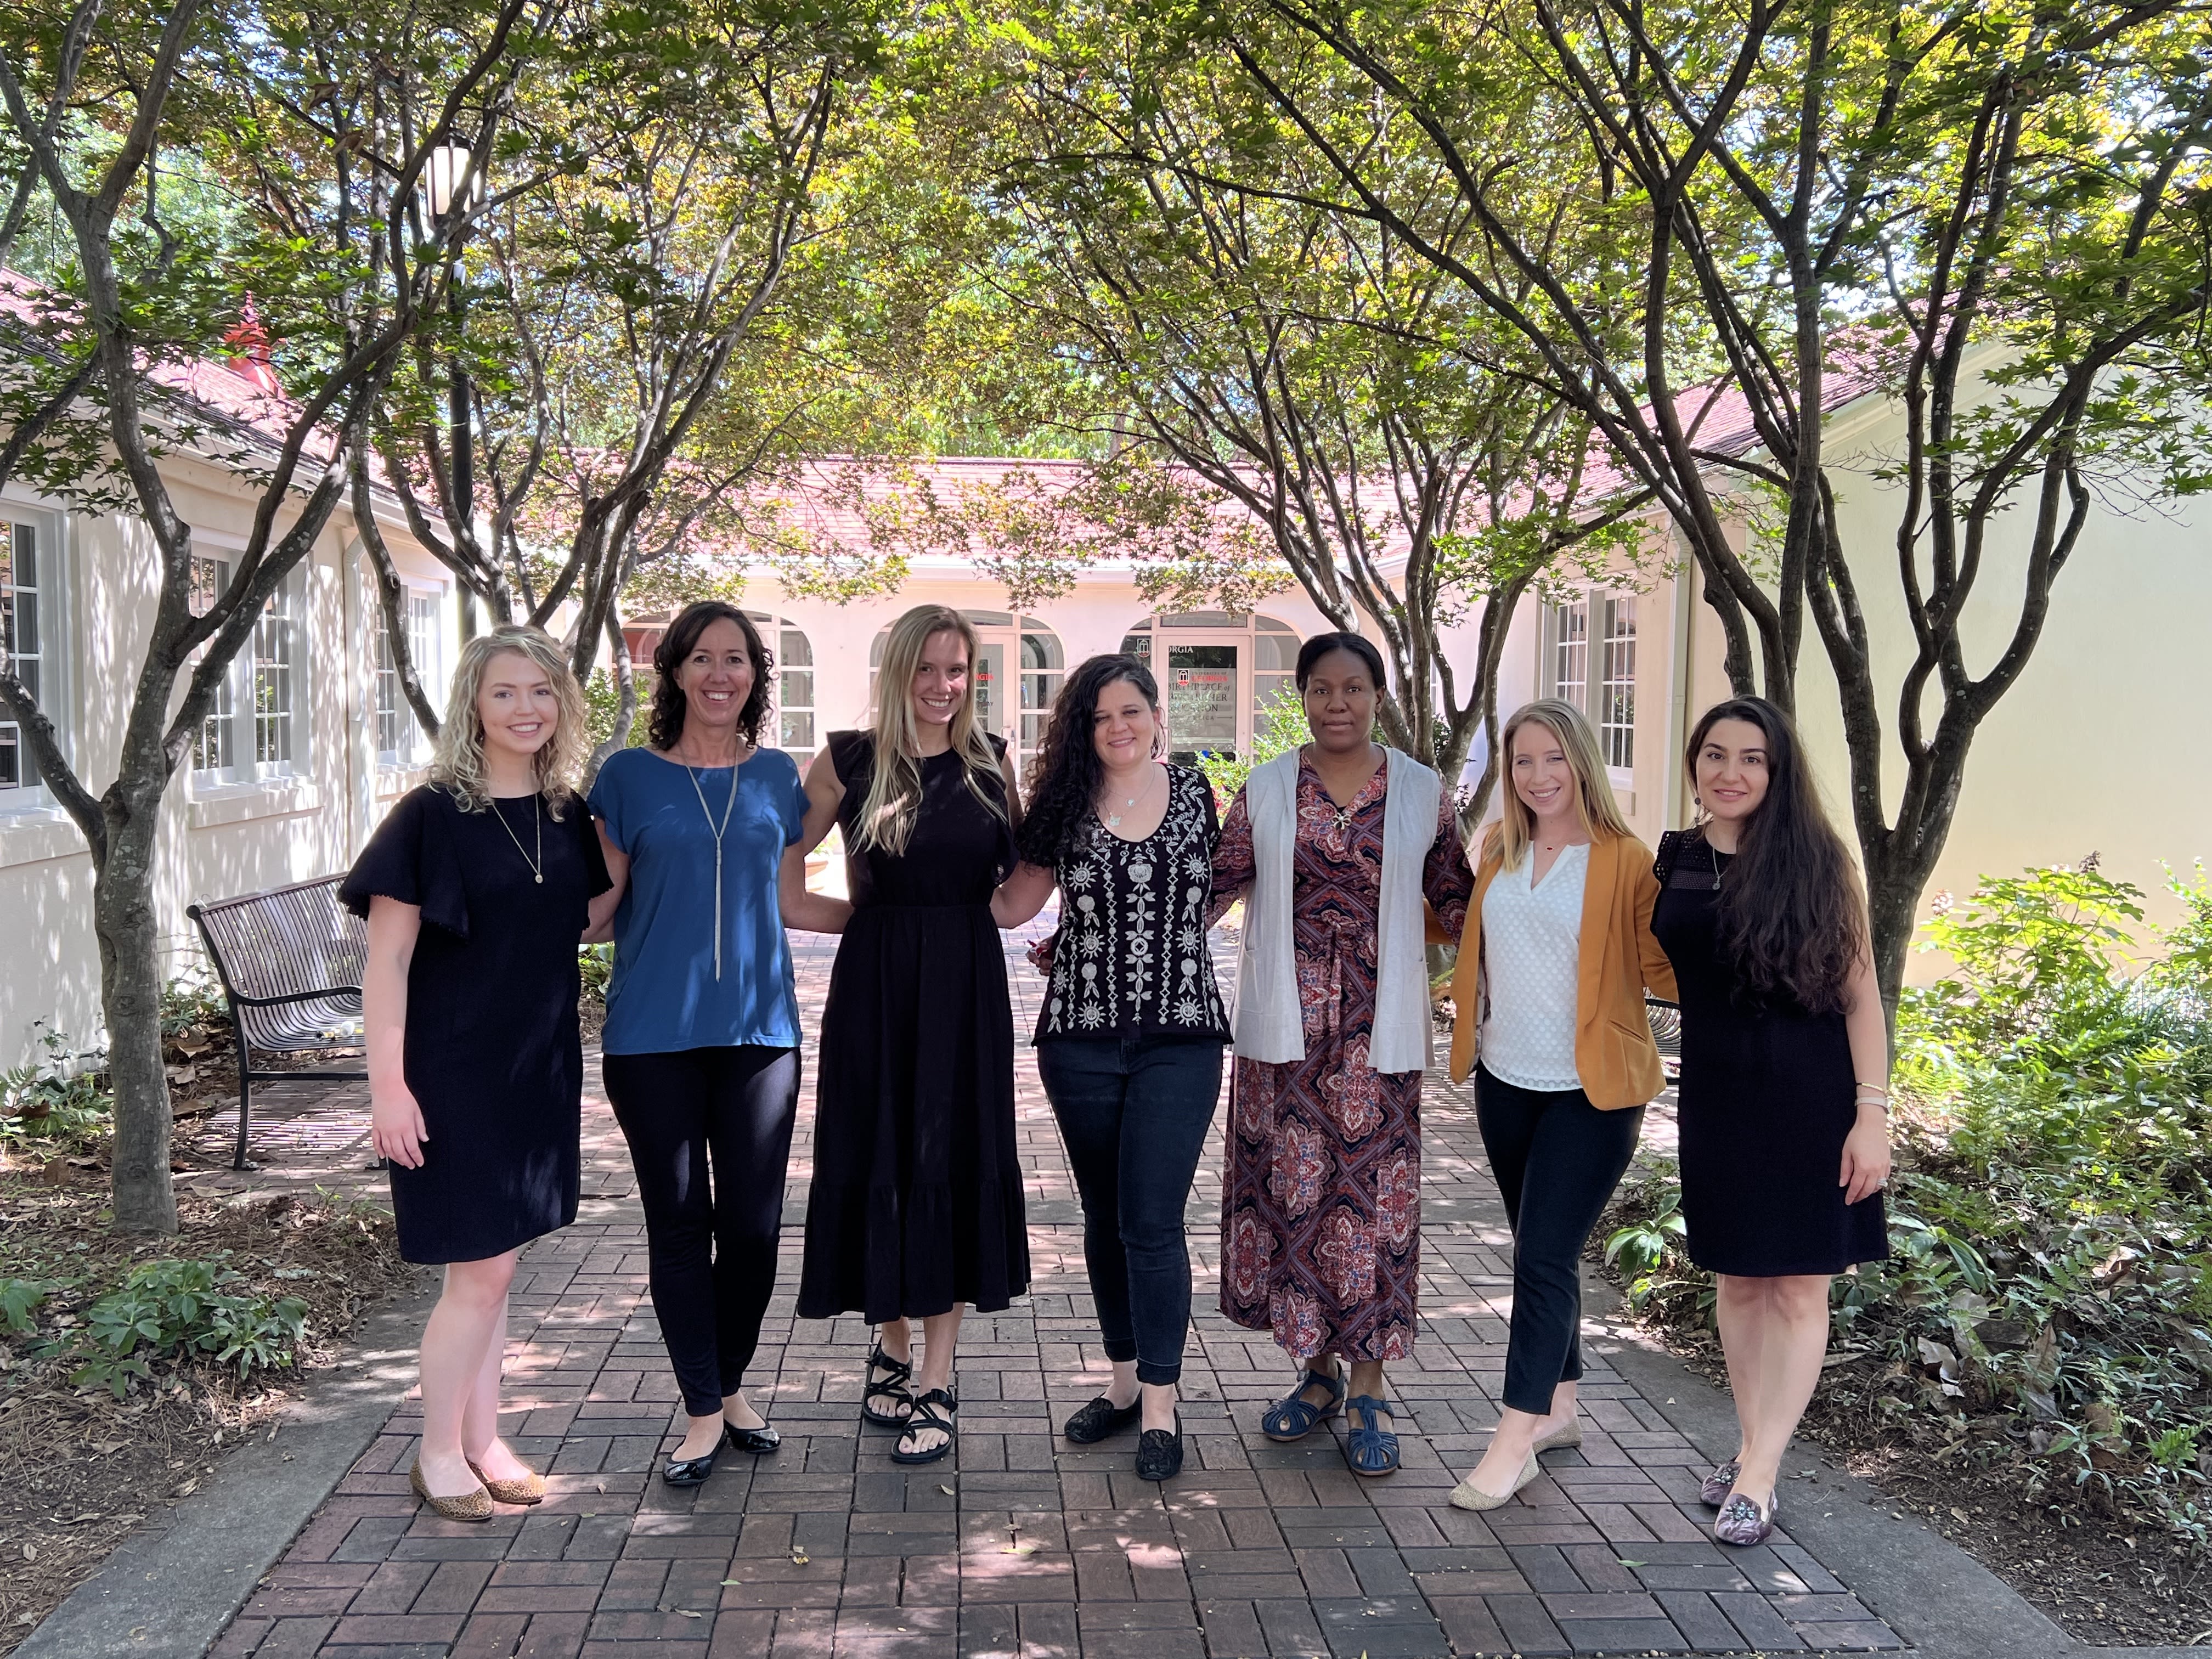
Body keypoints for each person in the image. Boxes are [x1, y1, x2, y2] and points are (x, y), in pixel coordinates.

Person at [346, 625, 613, 1521]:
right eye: (505, 692)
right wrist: (389, 1087)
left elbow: (585, 919)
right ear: (473, 704)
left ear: (563, 702)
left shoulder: (568, 814)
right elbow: (386, 963)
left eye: (542, 691)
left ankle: (483, 1438)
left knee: (496, 1269)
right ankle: (435, 1453)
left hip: (534, 1072)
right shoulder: (429, 816)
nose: (526, 708)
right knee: (479, 1274)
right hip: (450, 1073)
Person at [586, 602, 847, 1488]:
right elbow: (596, 914)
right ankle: (706, 1410)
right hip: (651, 1040)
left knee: (754, 1229)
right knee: (678, 1224)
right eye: (702, 658)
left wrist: (907, 928)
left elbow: (794, 904)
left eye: (736, 660)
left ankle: (728, 1387)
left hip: (760, 1036)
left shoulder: (778, 778)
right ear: (675, 673)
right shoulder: (626, 778)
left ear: (755, 677)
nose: (719, 674)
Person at [1213, 630, 1474, 1477]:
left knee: (1373, 1209)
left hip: (1378, 1030)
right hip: (1284, 1037)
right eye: (1321, 689)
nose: (1338, 705)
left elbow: (1458, 901)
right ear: (1301, 696)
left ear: (1376, 695)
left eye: (1354, 689)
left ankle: (1368, 1388)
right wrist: (1095, 935)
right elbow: (1212, 890)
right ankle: (1315, 1376)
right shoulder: (1264, 789)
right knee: (1295, 1201)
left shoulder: (1422, 793)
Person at [1650, 696, 1892, 1547]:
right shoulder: (1676, 855)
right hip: (1717, 1098)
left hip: (1812, 1100)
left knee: (1797, 1287)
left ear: (1777, 772)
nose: (1730, 772)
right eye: (1715, 754)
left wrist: (1872, 1114)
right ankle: (1752, 1445)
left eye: (1751, 758)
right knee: (1738, 1280)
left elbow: (1860, 996)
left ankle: (1762, 1474)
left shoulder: (1818, 861)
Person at [793, 604, 1026, 1465]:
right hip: (876, 985)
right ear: (897, 672)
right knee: (873, 1154)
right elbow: (781, 883)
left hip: (966, 985)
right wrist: (863, 923)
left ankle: (936, 1375)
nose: (942, 686)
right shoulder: (849, 759)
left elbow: (1015, 888)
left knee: (952, 1158)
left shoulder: (990, 763)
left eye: (957, 670)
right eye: (926, 669)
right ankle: (889, 1338)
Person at [991, 655, 1229, 1482]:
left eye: (1131, 711)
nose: (1118, 728)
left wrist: (1163, 936)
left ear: (1158, 716)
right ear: (1082, 731)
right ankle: (1125, 1385)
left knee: (1153, 1223)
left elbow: (1233, 883)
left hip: (1182, 1037)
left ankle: (1162, 1407)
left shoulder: (1199, 793)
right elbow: (1010, 905)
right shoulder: (1064, 804)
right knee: (1104, 1217)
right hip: (1082, 1038)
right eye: (1100, 718)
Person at [1441, 699, 1677, 1511]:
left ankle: (1514, 1440)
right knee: (1544, 1247)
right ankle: (1562, 1408)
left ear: (1582, 762)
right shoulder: (1499, 846)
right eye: (1522, 762)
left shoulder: (1624, 859)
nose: (1538, 777)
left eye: (1554, 759)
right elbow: (1480, 951)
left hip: (1594, 1092)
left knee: (1539, 1258)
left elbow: (1664, 969)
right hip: (1506, 1081)